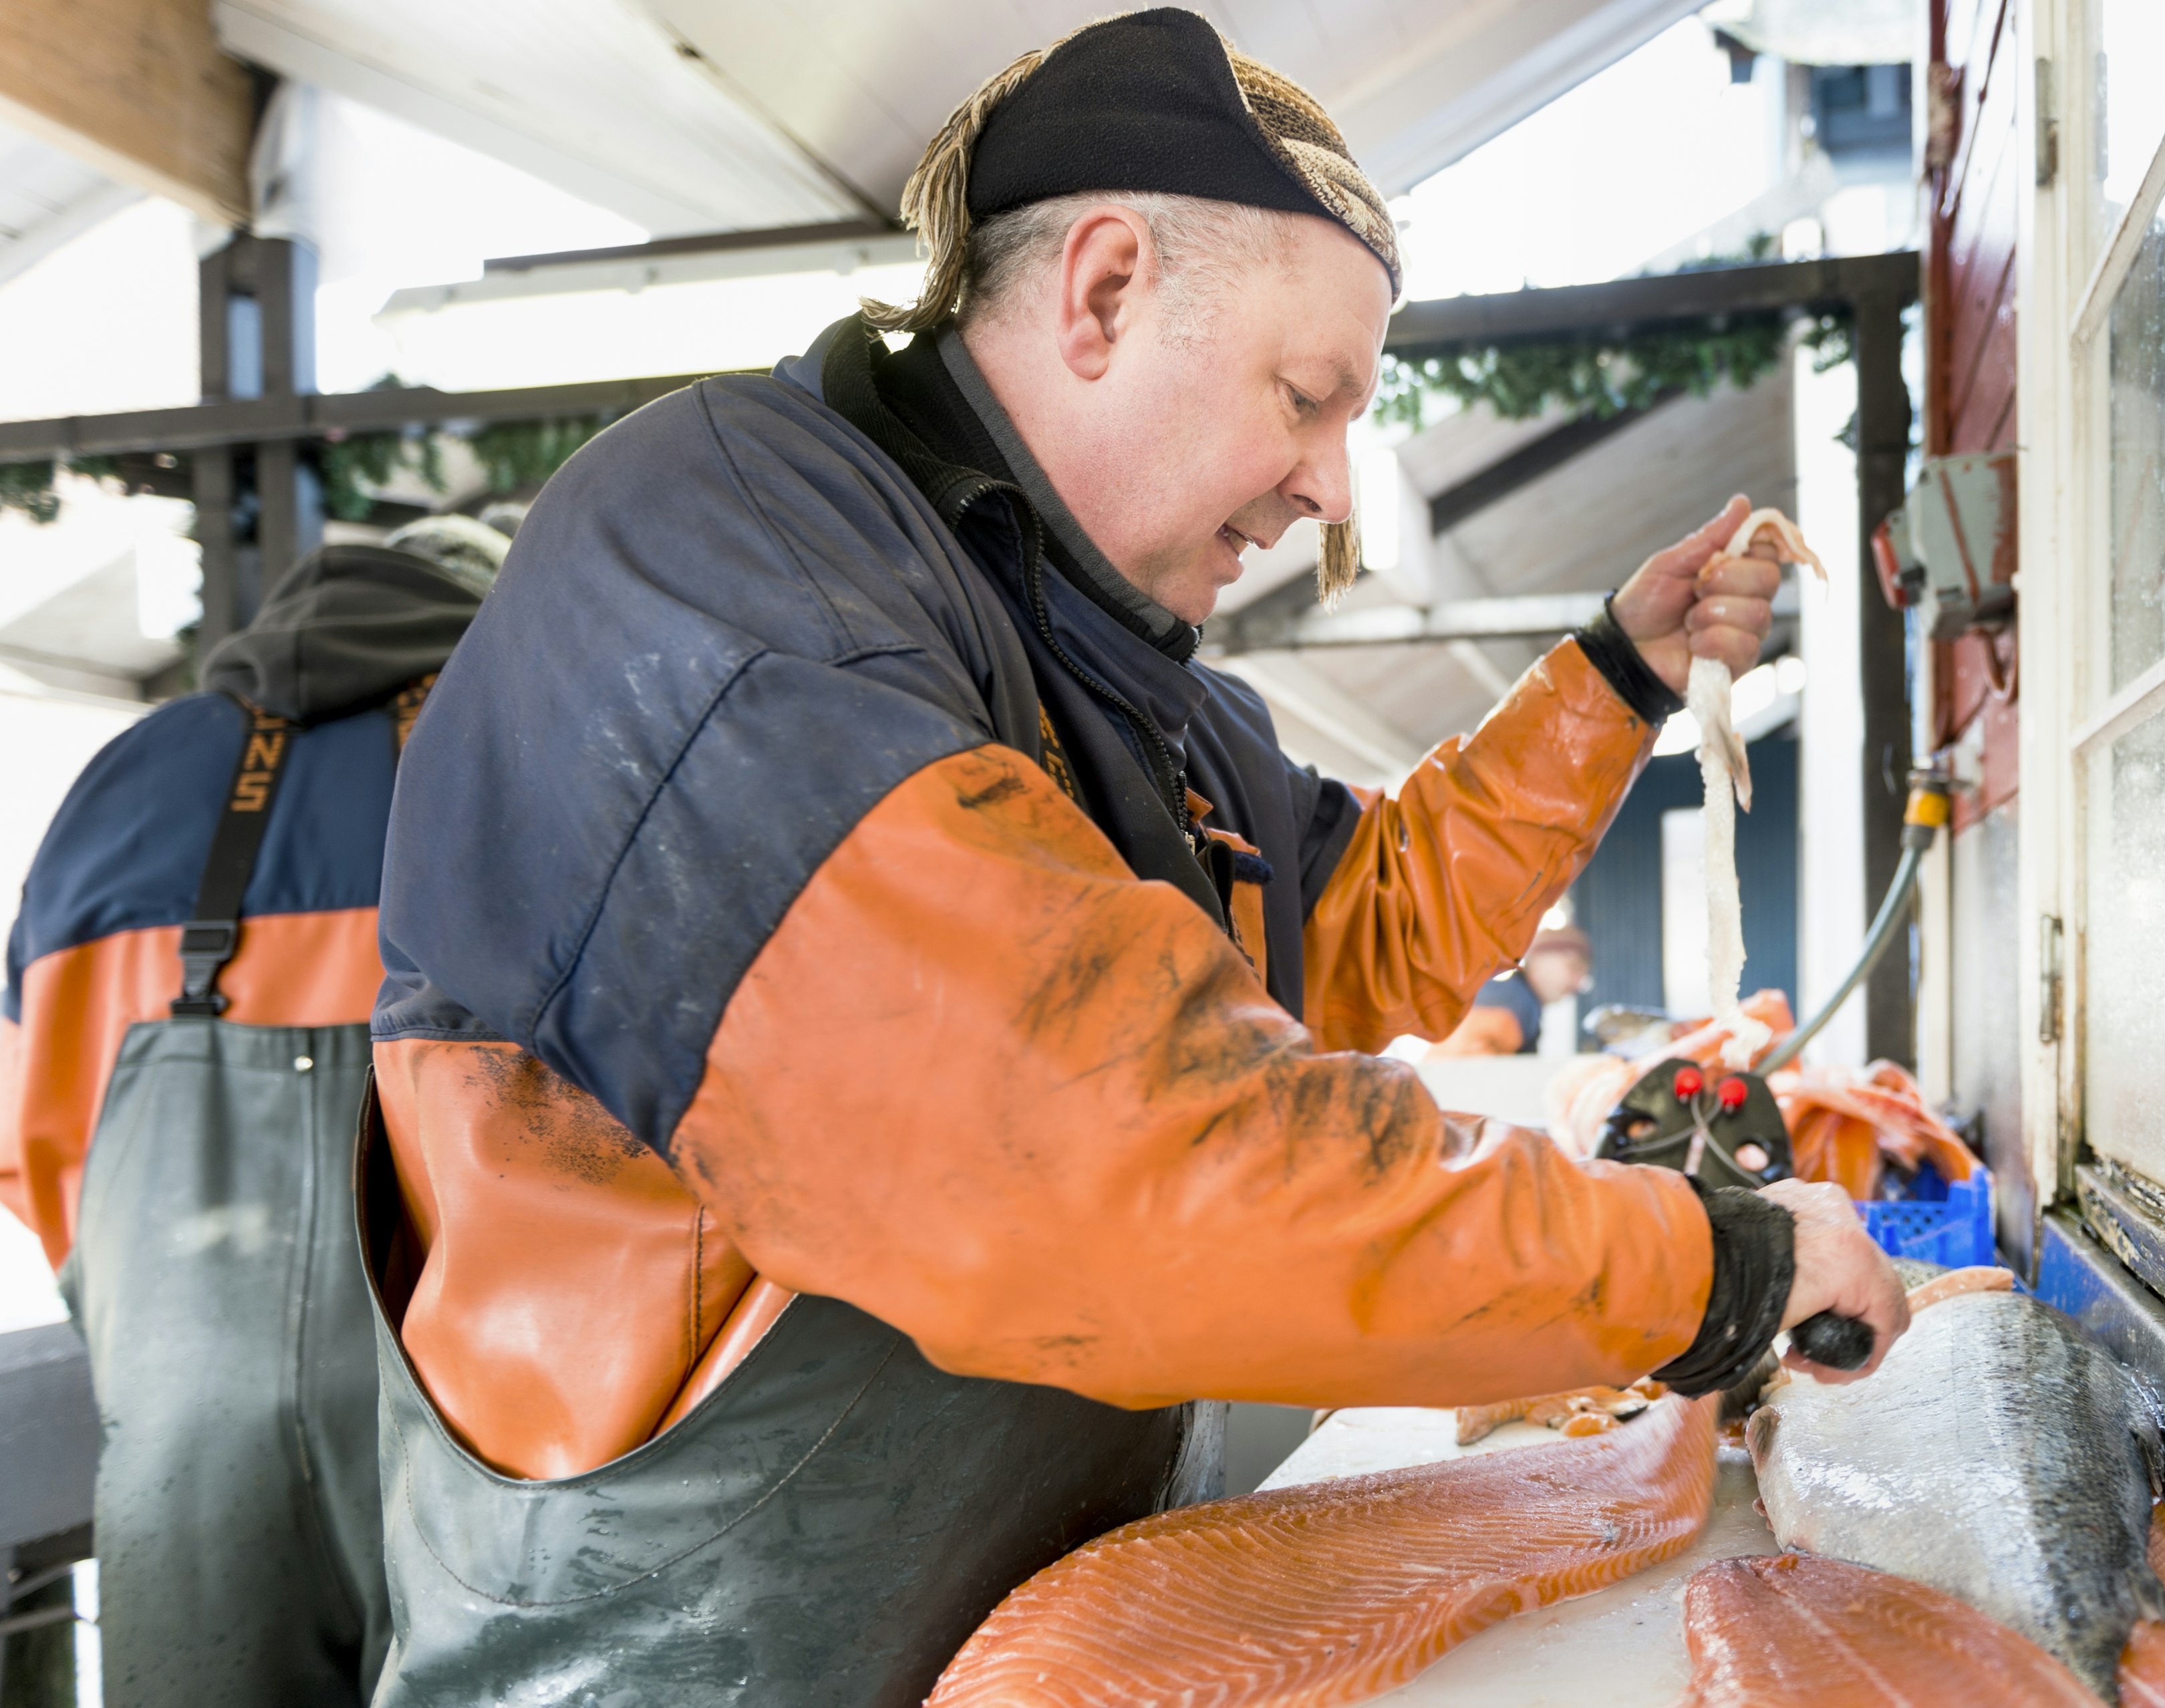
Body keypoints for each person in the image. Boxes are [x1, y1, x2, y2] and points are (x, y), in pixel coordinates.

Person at [357, 12, 1910, 1703]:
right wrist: (1707, 1262)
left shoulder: (1128, 683)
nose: (1329, 490)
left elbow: (1365, 927)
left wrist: (1608, 681)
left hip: (1040, 1625)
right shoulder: (731, 565)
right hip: (682, 1657)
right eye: (1305, 398)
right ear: (1100, 290)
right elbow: (1094, 1153)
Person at [0, 538, 492, 1706]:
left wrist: (172, 1324)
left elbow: (27, 1139)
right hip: (484, 1434)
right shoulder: (521, 736)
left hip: (185, 1451)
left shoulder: (128, 778)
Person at [1431, 925, 1593, 1056]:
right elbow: (1465, 1058)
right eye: (1574, 967)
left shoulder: (1519, 1000)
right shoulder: (1515, 999)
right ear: (1539, 959)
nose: (1577, 983)